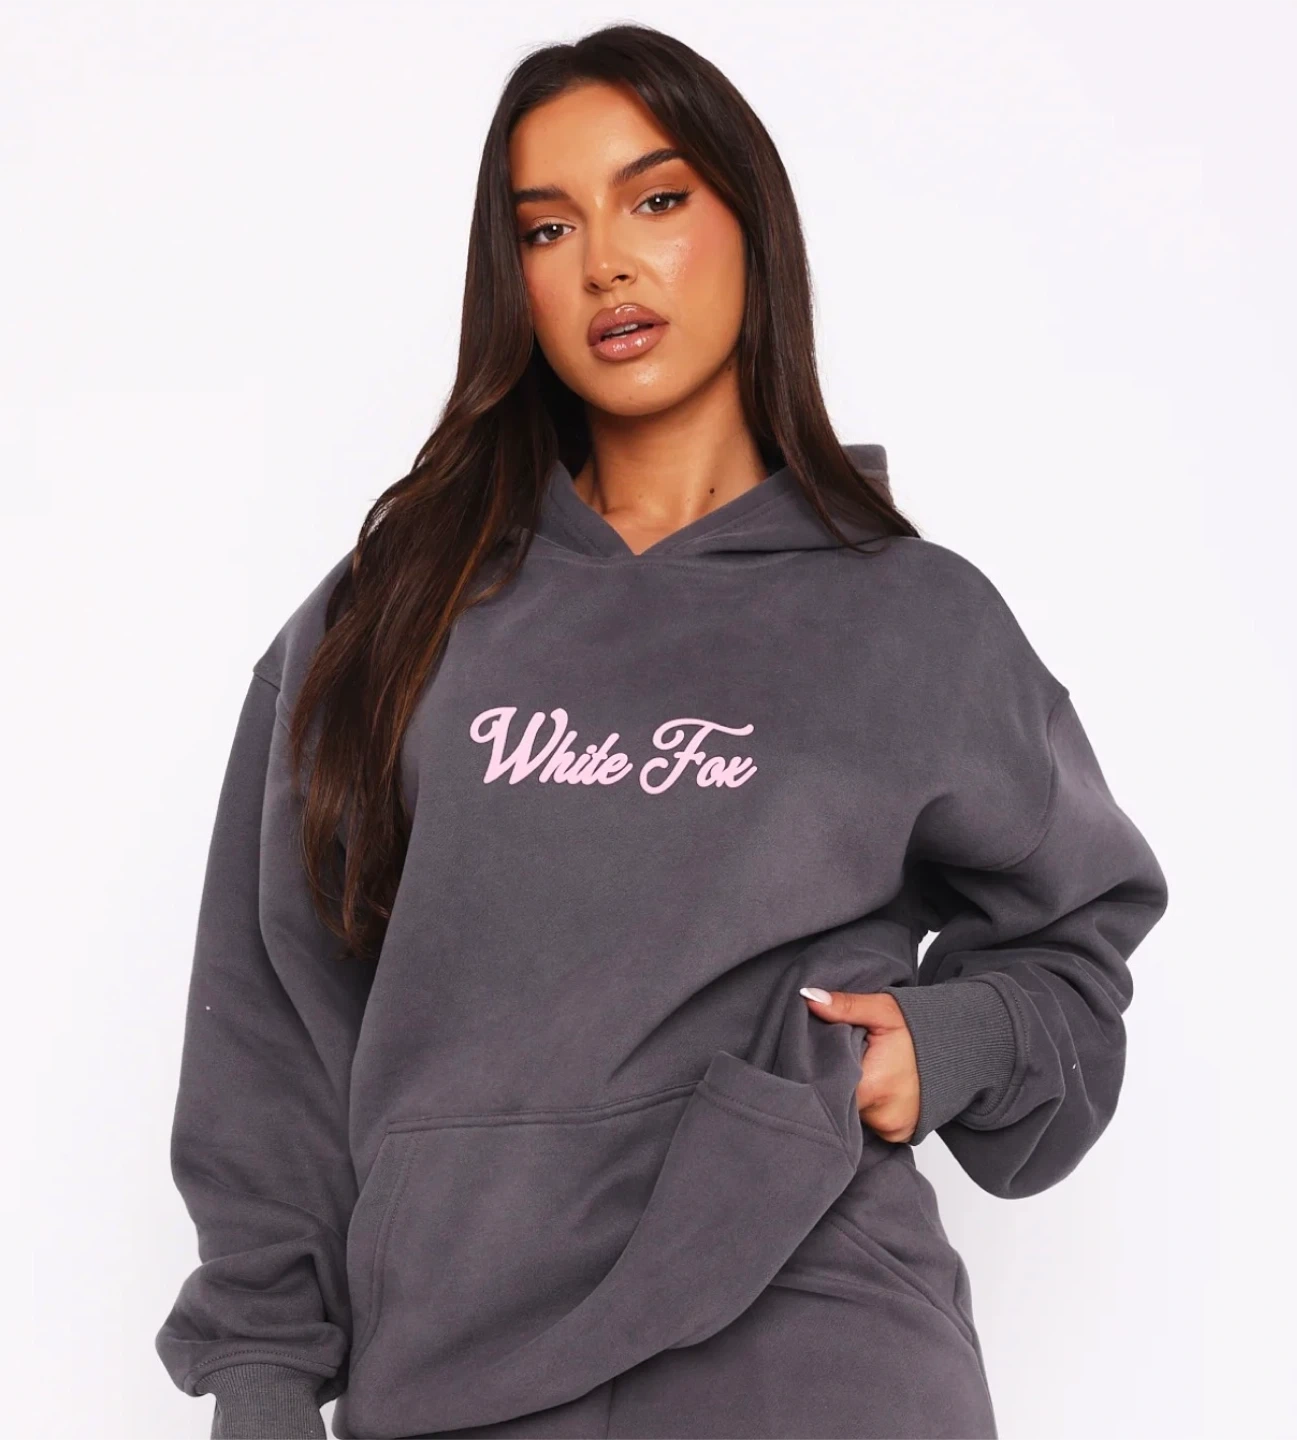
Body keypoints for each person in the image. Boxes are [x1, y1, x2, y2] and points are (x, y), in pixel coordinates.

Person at [153, 22, 1169, 1440]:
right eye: (547, 227)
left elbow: (1076, 948)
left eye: (657, 199)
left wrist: (951, 1039)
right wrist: (261, 1380)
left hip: (823, 1349)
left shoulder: (916, 620)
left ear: (753, 226)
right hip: (453, 1359)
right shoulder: (395, 611)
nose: (605, 266)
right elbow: (269, 1015)